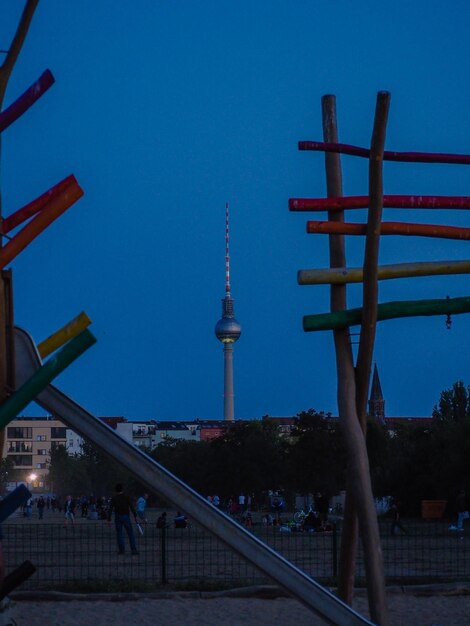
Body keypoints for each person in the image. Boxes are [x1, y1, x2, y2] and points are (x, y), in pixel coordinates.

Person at [107, 484, 139, 555]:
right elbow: (131, 506)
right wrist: (135, 516)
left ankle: (122, 550)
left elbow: (110, 509)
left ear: (116, 490)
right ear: (122, 489)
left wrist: (109, 519)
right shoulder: (126, 497)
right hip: (126, 516)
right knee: (130, 533)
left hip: (118, 516)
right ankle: (133, 549)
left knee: (119, 534)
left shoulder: (114, 498)